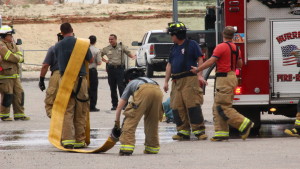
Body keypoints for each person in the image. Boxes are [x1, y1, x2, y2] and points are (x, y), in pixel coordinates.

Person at [190, 26, 254, 141]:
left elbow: (211, 61)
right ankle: (221, 133)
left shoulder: (220, 47)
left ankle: (244, 123)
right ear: (233, 36)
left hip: (224, 78)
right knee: (217, 106)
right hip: (232, 77)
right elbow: (240, 65)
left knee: (223, 106)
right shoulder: (236, 48)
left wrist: (198, 69)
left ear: (223, 35)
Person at [163, 21, 208, 141]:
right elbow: (169, 65)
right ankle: (182, 131)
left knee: (192, 104)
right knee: (177, 106)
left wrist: (199, 75)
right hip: (176, 80)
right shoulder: (173, 48)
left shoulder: (191, 44)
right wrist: (166, 82)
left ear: (177, 35)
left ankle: (199, 131)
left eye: (171, 35)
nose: (171, 37)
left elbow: (200, 59)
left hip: (189, 79)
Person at [54, 23, 92, 149]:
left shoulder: (58, 45)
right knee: (81, 109)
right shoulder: (82, 44)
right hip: (80, 80)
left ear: (61, 32)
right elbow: (90, 60)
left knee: (67, 110)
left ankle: (67, 140)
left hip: (65, 79)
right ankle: (80, 140)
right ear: (72, 30)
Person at [115, 68, 163, 156]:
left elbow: (119, 106)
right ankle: (152, 147)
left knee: (131, 118)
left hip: (143, 91)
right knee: (152, 121)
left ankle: (127, 147)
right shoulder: (149, 80)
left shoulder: (131, 83)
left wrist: (117, 123)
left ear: (128, 79)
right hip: (158, 90)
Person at [0, 25, 30, 121]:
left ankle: (19, 114)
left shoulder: (13, 44)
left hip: (15, 75)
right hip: (5, 75)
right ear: (4, 36)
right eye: (10, 35)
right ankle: (4, 115)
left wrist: (17, 58)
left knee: (19, 94)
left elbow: (19, 55)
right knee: (7, 95)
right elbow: (8, 56)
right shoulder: (1, 45)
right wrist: (17, 58)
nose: (12, 37)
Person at [101, 34, 136, 110]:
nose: (110, 41)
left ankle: (124, 104)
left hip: (120, 69)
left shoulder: (121, 46)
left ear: (116, 39)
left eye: (112, 39)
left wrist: (133, 56)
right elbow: (99, 55)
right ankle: (114, 105)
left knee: (121, 87)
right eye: (109, 39)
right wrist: (106, 61)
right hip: (111, 69)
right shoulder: (106, 49)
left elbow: (128, 52)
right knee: (112, 88)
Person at [39, 33, 63, 118]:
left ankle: (56, 122)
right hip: (72, 74)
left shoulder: (53, 49)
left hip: (57, 74)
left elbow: (45, 66)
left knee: (50, 101)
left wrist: (41, 80)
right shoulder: (74, 48)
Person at [88, 35, 102, 112]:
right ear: (95, 42)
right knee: (93, 88)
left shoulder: (85, 49)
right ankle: (92, 106)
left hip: (85, 71)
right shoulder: (96, 50)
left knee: (86, 88)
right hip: (93, 70)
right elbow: (99, 62)